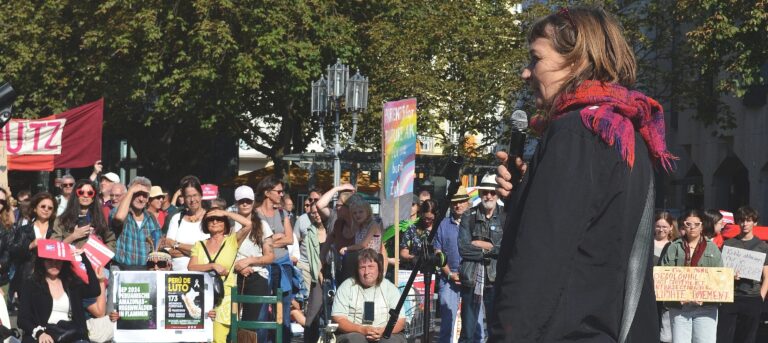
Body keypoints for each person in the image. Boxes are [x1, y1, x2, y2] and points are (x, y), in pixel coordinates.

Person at [491, 6, 673, 341]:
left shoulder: (575, 133)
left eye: (536, 59)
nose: (526, 73)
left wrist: (507, 335)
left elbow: (541, 261)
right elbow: (592, 244)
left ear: (576, 60)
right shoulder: (624, 132)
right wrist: (527, 193)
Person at [187, 208, 252, 343]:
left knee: (218, 338)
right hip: (202, 296)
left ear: (226, 223)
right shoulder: (199, 245)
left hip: (225, 297)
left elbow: (248, 224)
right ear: (205, 223)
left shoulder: (232, 241)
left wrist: (226, 213)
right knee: (202, 338)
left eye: (219, 219)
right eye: (211, 219)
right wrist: (212, 266)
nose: (215, 221)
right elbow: (191, 267)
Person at [660, 209, 722, 343]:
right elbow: (664, 276)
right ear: (683, 225)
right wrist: (677, 297)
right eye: (688, 224)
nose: (692, 227)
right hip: (680, 307)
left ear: (702, 226)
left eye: (696, 224)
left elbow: (719, 277)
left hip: (706, 306)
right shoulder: (673, 247)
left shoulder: (712, 249)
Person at [458, 175, 505, 343]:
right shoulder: (468, 216)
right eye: (485, 192)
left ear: (497, 194)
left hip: (495, 279)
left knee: (496, 331)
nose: (489, 196)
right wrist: (492, 248)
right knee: (467, 333)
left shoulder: (505, 216)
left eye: (492, 192)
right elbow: (464, 248)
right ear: (480, 192)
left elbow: (505, 248)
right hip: (472, 280)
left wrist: (481, 244)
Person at [17, 250, 100, 343]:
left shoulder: (72, 284)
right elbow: (22, 319)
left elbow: (95, 291)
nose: (54, 264)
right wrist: (39, 333)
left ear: (64, 262)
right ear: (42, 261)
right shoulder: (31, 285)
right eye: (49, 260)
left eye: (58, 261)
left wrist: (85, 260)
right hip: (44, 334)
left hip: (70, 333)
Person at [717, 206, 768, 343]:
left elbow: (766, 275)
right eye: (741, 220)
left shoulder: (762, 246)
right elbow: (721, 270)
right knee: (724, 337)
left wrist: (761, 297)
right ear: (738, 222)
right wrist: (729, 277)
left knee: (747, 338)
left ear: (755, 222)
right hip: (730, 296)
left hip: (752, 297)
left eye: (748, 220)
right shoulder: (728, 243)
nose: (745, 224)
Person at [332, 248, 406, 343]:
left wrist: (383, 331)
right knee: (355, 340)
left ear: (379, 269)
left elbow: (400, 321)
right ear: (357, 270)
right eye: (362, 267)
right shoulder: (346, 287)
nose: (366, 272)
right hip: (355, 332)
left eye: (371, 267)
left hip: (385, 332)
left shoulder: (390, 288)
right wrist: (362, 329)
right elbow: (338, 319)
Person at [254, 175, 295, 342]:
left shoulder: (282, 212)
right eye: (278, 191)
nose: (281, 194)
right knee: (263, 308)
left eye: (282, 191)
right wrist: (277, 238)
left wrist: (269, 241)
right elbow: (256, 241)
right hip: (264, 265)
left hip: (283, 264)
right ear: (267, 192)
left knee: (283, 307)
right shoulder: (255, 214)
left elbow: (290, 239)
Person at [8, 192, 57, 313]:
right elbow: (13, 252)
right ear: (35, 208)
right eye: (43, 206)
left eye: (50, 208)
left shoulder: (56, 231)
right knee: (28, 315)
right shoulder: (24, 230)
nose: (46, 210)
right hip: (28, 276)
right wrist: (30, 245)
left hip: (51, 276)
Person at [434, 186, 469, 343]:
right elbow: (438, 252)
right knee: (447, 321)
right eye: (455, 202)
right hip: (448, 277)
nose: (458, 205)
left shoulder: (474, 222)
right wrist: (449, 273)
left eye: (461, 201)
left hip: (471, 277)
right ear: (450, 205)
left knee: (473, 323)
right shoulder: (443, 224)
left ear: (467, 203)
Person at [233, 210, 274, 341]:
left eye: (248, 201)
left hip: (257, 275)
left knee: (250, 323)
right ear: (236, 202)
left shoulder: (262, 225)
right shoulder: (230, 223)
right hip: (232, 275)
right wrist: (237, 266)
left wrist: (249, 261)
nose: (245, 204)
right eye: (241, 201)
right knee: (230, 320)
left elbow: (270, 256)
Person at [110, 177, 162, 270]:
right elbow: (119, 218)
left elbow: (158, 244)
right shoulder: (118, 211)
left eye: (145, 195)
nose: (141, 199)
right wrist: (131, 191)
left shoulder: (151, 218)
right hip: (121, 269)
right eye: (137, 194)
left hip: (144, 271)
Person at [52, 179, 116, 251]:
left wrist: (99, 255)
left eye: (90, 193)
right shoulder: (61, 220)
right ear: (76, 195)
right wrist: (73, 236)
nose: (85, 196)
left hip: (92, 261)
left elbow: (111, 241)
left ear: (93, 197)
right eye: (81, 192)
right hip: (69, 260)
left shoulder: (101, 219)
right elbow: (54, 248)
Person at [162, 176, 209, 271]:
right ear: (183, 198)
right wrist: (195, 251)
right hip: (177, 278)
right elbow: (168, 249)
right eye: (188, 196)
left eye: (195, 195)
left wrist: (177, 245)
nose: (192, 200)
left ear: (201, 195)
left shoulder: (210, 219)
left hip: (202, 276)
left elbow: (207, 251)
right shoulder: (176, 218)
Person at [300, 204, 328, 343]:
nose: (316, 215)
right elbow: (311, 259)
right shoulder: (310, 232)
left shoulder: (334, 228)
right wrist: (318, 274)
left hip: (335, 273)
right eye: (312, 213)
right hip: (317, 276)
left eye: (318, 212)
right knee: (313, 312)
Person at [652, 211, 677, 343]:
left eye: (664, 227)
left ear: (671, 227)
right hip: (648, 291)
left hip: (665, 294)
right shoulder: (647, 244)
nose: (661, 230)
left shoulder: (674, 246)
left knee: (665, 332)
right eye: (658, 226)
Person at [399, 199, 438, 270]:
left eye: (430, 218)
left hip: (435, 272)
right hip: (415, 270)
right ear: (421, 214)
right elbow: (403, 252)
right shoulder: (412, 229)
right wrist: (413, 258)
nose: (427, 221)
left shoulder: (439, 230)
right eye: (425, 218)